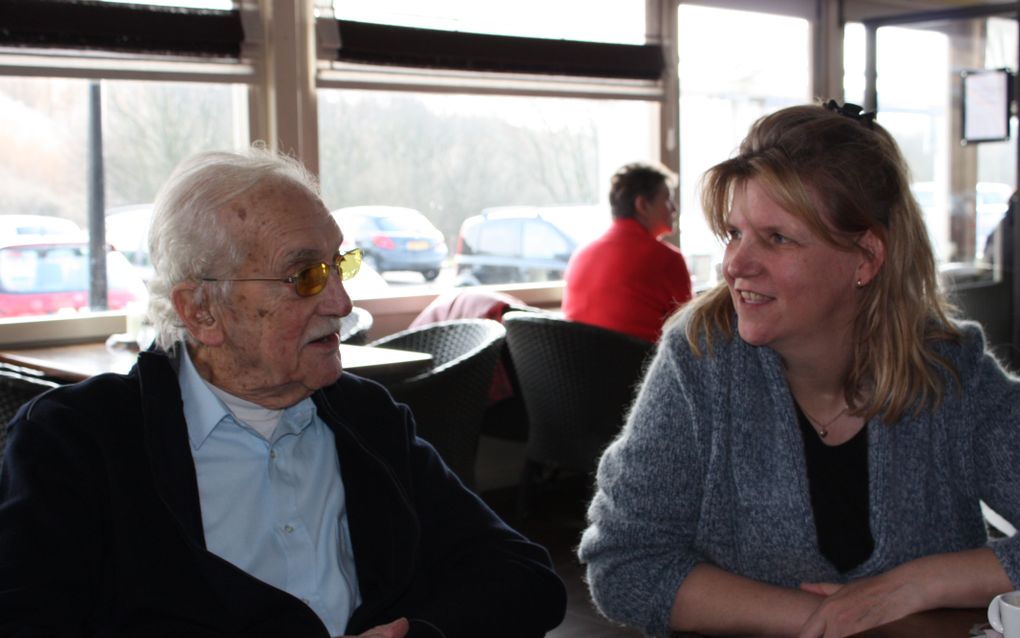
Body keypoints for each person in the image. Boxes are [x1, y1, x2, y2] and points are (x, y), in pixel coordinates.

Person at [0, 148, 566, 638]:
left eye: (338, 265)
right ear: (201, 311)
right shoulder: (74, 445)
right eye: (305, 277)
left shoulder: (367, 421)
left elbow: (525, 578)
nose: (343, 303)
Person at [578, 101, 1020, 638]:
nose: (735, 265)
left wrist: (917, 585)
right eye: (733, 234)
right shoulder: (700, 363)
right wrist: (828, 620)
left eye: (777, 238)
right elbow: (624, 563)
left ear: (865, 258)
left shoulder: (950, 370)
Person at [561, 162, 693, 342]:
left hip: (577, 367)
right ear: (643, 205)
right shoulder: (666, 259)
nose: (674, 208)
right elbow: (688, 332)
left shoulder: (581, 255)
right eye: (667, 199)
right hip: (640, 368)